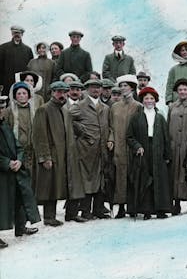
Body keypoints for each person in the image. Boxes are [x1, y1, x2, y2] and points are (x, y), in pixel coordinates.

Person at [32, 81, 85, 225]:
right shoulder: (43, 110)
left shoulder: (65, 111)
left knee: (73, 183)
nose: (61, 95)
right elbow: (39, 136)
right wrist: (44, 157)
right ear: (52, 93)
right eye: (58, 92)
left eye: (64, 92)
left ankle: (71, 214)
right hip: (53, 154)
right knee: (51, 185)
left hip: (68, 153)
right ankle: (49, 217)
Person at [126, 87, 171, 220]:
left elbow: (166, 138)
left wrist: (167, 155)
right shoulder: (136, 117)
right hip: (143, 151)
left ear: (155, 101)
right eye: (146, 98)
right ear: (142, 101)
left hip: (158, 150)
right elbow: (129, 136)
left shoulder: (160, 118)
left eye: (152, 98)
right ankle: (146, 210)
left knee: (159, 180)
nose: (149, 101)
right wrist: (137, 146)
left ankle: (160, 210)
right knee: (145, 179)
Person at [69, 79, 111, 220]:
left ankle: (98, 209)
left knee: (100, 178)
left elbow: (110, 127)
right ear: (87, 89)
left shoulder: (105, 108)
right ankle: (86, 210)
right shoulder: (80, 106)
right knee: (87, 179)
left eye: (98, 87)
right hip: (87, 149)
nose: (96, 90)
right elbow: (68, 119)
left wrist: (110, 139)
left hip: (102, 148)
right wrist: (81, 132)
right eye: (92, 88)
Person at [0, 111, 41, 248]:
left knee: (20, 198)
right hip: (3, 172)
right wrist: (7, 163)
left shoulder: (5, 125)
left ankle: (21, 227)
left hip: (14, 170)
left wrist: (19, 159)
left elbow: (18, 146)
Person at [108, 75, 142, 218]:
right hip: (119, 146)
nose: (122, 89)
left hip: (132, 146)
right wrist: (111, 140)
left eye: (125, 86)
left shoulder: (138, 106)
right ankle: (121, 206)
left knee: (133, 175)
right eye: (121, 86)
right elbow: (110, 126)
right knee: (120, 176)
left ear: (132, 88)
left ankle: (133, 206)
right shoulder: (115, 107)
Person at [3, 82, 41, 190]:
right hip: (16, 152)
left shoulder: (35, 111)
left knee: (32, 181)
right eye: (18, 93)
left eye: (24, 93)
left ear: (29, 95)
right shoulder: (9, 111)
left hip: (32, 152)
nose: (21, 96)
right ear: (14, 96)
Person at [167, 79, 187, 215]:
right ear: (177, 92)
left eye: (185, 90)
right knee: (174, 173)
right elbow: (168, 126)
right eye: (180, 90)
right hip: (174, 146)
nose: (182, 92)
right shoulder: (172, 107)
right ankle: (176, 203)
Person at [0, 25, 33, 97]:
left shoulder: (27, 50)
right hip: (7, 82)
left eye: (19, 33)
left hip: (22, 82)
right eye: (15, 33)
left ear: (22, 34)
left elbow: (30, 68)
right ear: (12, 34)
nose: (17, 35)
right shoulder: (3, 47)